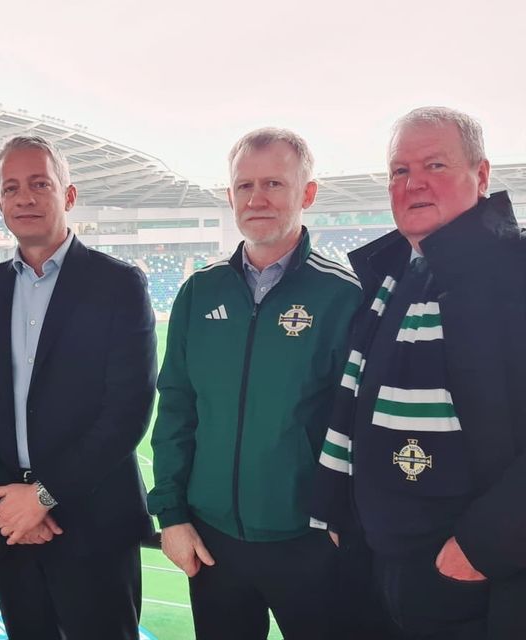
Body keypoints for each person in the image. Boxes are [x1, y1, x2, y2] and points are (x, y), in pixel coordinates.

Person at [312, 107, 526, 639]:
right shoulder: (392, 279)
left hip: (477, 580)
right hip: (378, 569)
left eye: (434, 165)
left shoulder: (515, 273)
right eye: (399, 171)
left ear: (480, 175)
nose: (414, 184)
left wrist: (480, 549)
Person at [148, 128, 363, 639]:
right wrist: (171, 516)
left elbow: (358, 424)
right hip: (212, 542)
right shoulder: (199, 293)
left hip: (309, 544)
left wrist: (341, 521)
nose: (256, 198)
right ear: (230, 196)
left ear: (306, 194)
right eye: (244, 186)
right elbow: (176, 409)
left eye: (273, 184)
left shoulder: (343, 296)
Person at [0, 135, 157, 640]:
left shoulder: (119, 285)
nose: (25, 197)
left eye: (40, 183)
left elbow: (127, 409)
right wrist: (9, 503)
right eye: (11, 188)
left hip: (94, 524)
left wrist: (43, 495)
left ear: (69, 194)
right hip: (9, 526)